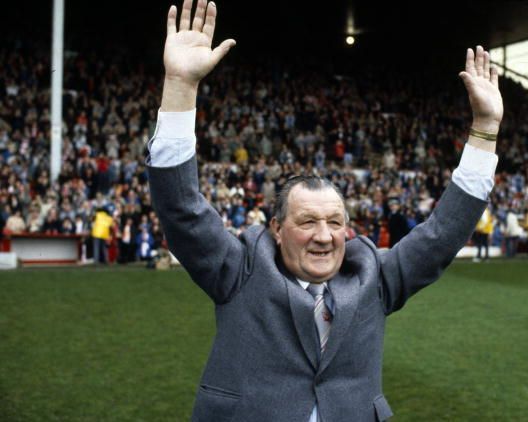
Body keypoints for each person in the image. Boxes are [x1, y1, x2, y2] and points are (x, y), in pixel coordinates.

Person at [146, 1, 502, 420]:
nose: (324, 235)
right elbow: (181, 208)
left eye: (335, 222)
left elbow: (443, 234)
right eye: (308, 221)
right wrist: (180, 86)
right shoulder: (238, 269)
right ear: (276, 228)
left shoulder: (375, 276)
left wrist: (486, 126)